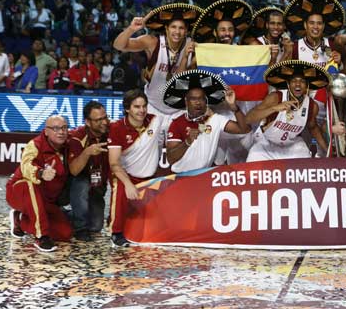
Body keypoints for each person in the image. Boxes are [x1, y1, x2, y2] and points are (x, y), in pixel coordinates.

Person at [113, 3, 203, 118]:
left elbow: (180, 82)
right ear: (166, 28)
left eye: (181, 28)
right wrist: (131, 29)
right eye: (173, 27)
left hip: (180, 111)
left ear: (186, 31)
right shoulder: (153, 42)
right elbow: (118, 46)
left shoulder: (193, 46)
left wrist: (186, 57)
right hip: (152, 108)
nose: (177, 31)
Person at [107, 90, 165, 247]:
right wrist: (128, 184)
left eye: (144, 106)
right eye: (136, 107)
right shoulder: (117, 128)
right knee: (119, 188)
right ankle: (116, 233)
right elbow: (113, 163)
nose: (142, 110)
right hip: (126, 175)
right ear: (127, 108)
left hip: (150, 177)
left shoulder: (156, 121)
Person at [6, 115, 72, 252]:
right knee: (29, 185)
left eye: (64, 128)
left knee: (65, 233)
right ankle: (41, 237)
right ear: (46, 131)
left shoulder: (69, 145)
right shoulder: (35, 145)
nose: (61, 132)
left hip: (45, 199)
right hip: (19, 191)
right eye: (56, 128)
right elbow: (26, 165)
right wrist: (40, 173)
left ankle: (20, 219)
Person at [164, 70, 250, 173]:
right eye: (193, 99)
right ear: (186, 102)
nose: (198, 103)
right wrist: (187, 142)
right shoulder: (177, 123)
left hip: (204, 177)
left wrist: (233, 107)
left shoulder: (214, 119)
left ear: (206, 101)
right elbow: (170, 159)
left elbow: (244, 129)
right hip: (181, 177)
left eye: (201, 99)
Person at [246, 60, 330, 161]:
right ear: (288, 84)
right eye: (294, 81)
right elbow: (248, 118)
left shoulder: (312, 105)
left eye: (302, 81)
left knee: (305, 159)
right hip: (267, 144)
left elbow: (313, 128)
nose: (298, 84)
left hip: (292, 146)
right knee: (252, 160)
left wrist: (327, 149)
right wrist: (274, 108)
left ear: (307, 85)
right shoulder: (276, 98)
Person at [67, 101, 109, 241]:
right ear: (88, 122)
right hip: (79, 182)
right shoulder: (77, 137)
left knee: (96, 226)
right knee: (81, 184)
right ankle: (80, 228)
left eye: (105, 117)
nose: (104, 122)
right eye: (98, 120)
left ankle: (63, 216)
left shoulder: (111, 132)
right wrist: (87, 153)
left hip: (98, 186)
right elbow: (73, 171)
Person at [283, 0, 346, 68]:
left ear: (323, 26)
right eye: (311, 23)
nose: (315, 27)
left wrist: (339, 64)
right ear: (305, 25)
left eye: (319, 23)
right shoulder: (295, 47)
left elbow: (341, 73)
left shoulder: (332, 46)